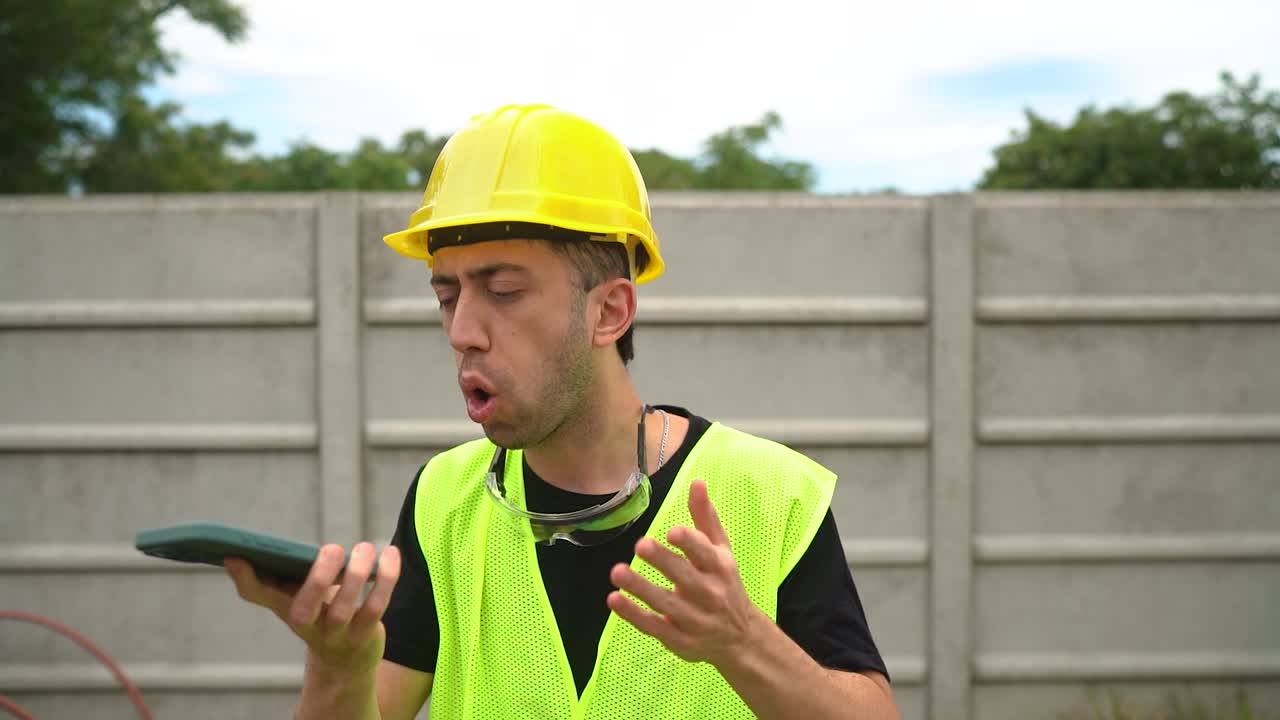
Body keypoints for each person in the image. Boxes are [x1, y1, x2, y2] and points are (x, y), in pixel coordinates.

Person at [226, 103, 900, 720]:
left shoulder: (769, 493)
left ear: (609, 311)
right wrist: (338, 664)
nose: (463, 329)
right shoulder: (444, 501)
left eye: (504, 289)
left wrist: (743, 642)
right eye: (447, 294)